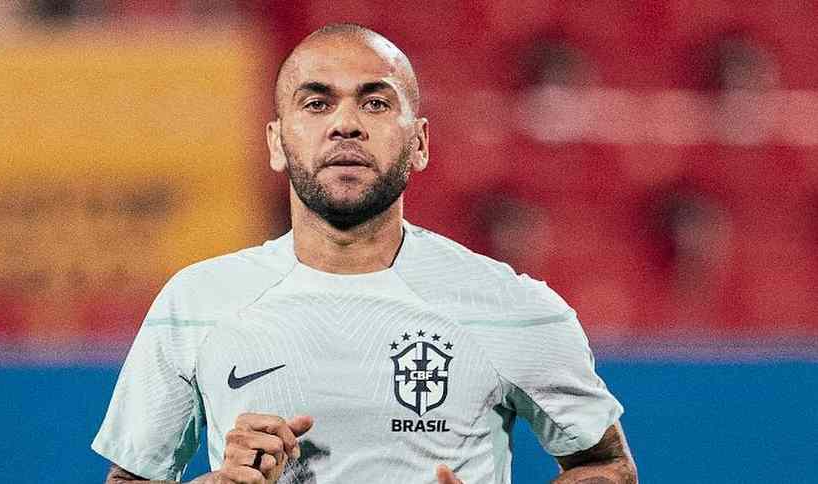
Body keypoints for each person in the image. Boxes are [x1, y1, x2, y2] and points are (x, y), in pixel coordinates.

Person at [93, 23, 638, 484]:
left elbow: (608, 467)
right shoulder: (196, 302)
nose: (346, 124)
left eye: (376, 103)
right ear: (277, 143)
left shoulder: (512, 306)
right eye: (316, 103)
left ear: (419, 143)